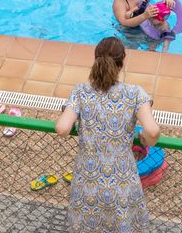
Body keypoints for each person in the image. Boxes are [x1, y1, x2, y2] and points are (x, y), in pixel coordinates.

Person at [56, 36, 158, 233]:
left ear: (96, 59)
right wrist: (146, 140)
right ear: (122, 62)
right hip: (122, 177)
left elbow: (62, 128)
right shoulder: (135, 93)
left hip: (88, 177)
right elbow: (152, 131)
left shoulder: (81, 91)